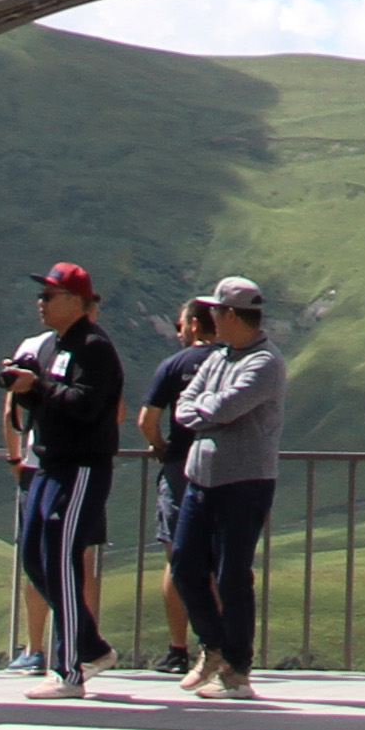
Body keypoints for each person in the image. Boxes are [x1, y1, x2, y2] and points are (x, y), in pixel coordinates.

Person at [150, 277, 285, 702]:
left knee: (232, 575)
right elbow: (186, 405)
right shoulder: (219, 357)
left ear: (229, 314)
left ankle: (238, 668)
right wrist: (205, 410)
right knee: (187, 565)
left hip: (245, 482)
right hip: (201, 478)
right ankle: (213, 646)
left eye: (214, 311)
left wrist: (203, 410)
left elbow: (224, 408)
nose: (209, 318)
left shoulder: (265, 361)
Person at [0, 261, 123, 699]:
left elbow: (86, 405)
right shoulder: (54, 345)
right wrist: (27, 388)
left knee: (61, 558)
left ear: (74, 302)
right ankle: (89, 644)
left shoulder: (94, 347)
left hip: (81, 468)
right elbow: (51, 401)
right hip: (47, 465)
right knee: (35, 556)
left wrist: (41, 387)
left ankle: (69, 669)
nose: (41, 303)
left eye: (48, 296)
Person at [135, 293, 213, 680]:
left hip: (180, 466)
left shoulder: (173, 365)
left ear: (194, 325)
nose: (179, 331)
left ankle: (177, 649)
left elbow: (146, 420)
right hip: (220, 467)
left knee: (176, 558)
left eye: (181, 325)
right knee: (216, 560)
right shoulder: (227, 362)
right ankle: (213, 647)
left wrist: (161, 447)